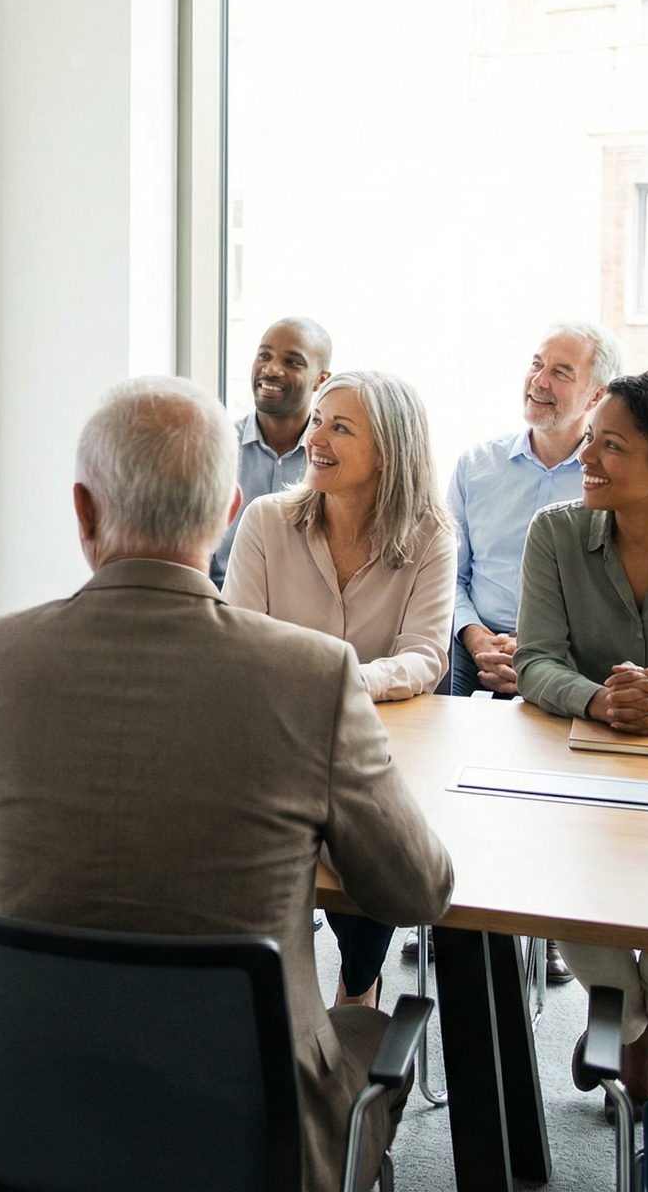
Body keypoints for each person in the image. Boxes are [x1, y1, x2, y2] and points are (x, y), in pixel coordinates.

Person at [0, 377, 452, 1192]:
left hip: (34, 1093)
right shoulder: (313, 677)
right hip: (250, 1117)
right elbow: (417, 891)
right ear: (227, 515)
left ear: (82, 510)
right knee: (371, 1026)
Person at [223, 371, 454, 1011]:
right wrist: (320, 680)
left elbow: (428, 656)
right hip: (272, 736)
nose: (314, 436)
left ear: (390, 452)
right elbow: (237, 640)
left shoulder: (431, 535)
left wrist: (336, 679)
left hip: (374, 741)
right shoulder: (268, 520)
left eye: (339, 427)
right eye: (318, 420)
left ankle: (357, 984)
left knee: (374, 837)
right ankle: (308, 987)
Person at [516, 371, 648, 1104]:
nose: (586, 456)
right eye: (589, 438)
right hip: (582, 777)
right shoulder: (556, 532)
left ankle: (630, 1025)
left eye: (610, 445)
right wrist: (601, 698)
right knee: (553, 889)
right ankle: (636, 1031)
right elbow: (535, 659)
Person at [448, 322, 619, 700]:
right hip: (473, 645)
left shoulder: (610, 479)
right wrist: (476, 639)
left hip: (568, 653)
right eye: (537, 364)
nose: (539, 381)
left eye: (560, 373)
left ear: (596, 396)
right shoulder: (476, 464)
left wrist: (535, 651)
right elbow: (448, 575)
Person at [209, 316, 333, 587]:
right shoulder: (215, 447)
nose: (272, 369)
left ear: (320, 380)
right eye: (264, 355)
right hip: (224, 609)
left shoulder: (332, 458)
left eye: (292, 362)